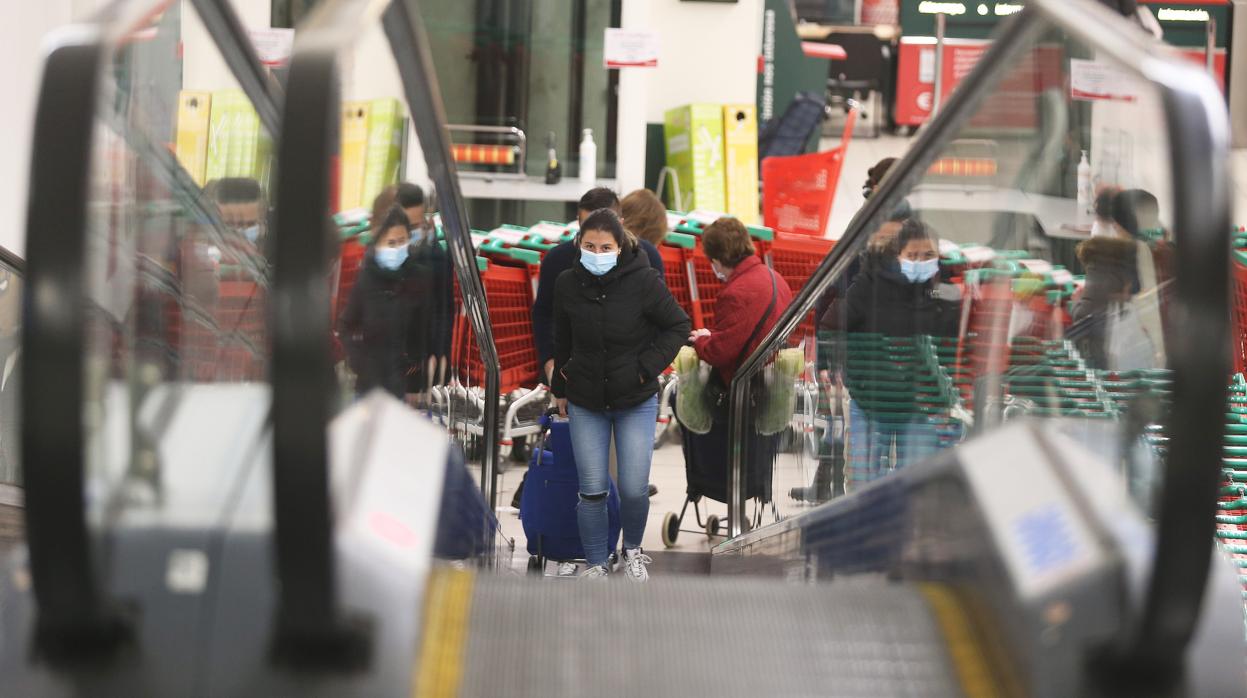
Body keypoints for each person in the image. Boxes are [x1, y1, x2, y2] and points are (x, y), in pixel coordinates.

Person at [551, 209, 689, 581]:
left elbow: (678, 325)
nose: (598, 252)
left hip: (635, 399)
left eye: (606, 246)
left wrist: (646, 367)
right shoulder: (567, 283)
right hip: (585, 398)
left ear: (620, 245)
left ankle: (632, 551)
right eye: (590, 245)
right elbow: (562, 338)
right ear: (579, 244)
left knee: (632, 487)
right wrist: (559, 389)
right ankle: (597, 561)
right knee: (592, 489)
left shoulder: (643, 280)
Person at [529, 187, 665, 503]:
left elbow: (662, 318)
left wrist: (645, 368)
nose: (590, 240)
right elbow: (544, 313)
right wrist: (551, 364)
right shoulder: (560, 259)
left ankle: (617, 533)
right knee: (581, 472)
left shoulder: (645, 258)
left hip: (627, 381)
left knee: (620, 476)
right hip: (577, 378)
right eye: (583, 229)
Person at [822, 219, 960, 486]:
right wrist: (857, 373)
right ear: (898, 256)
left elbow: (947, 349)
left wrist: (946, 394)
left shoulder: (942, 293)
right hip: (873, 401)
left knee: (914, 483)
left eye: (928, 255)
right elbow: (832, 325)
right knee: (865, 480)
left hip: (919, 406)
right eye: (913, 255)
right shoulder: (869, 285)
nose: (920, 261)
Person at [683, 217, 793, 512]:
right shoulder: (775, 278)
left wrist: (701, 341)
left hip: (739, 395)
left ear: (717, 260)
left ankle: (704, 486)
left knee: (686, 401)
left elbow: (721, 352)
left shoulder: (736, 292)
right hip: (768, 385)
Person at [337, 206, 427, 399]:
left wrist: (413, 377)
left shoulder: (416, 278)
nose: (397, 248)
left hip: (400, 388)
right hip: (368, 388)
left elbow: (422, 332)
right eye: (391, 243)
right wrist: (359, 362)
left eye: (402, 241)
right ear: (378, 245)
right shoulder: (366, 279)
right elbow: (345, 326)